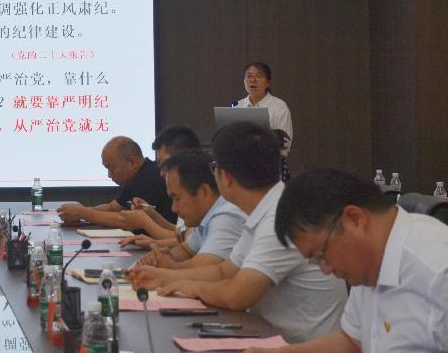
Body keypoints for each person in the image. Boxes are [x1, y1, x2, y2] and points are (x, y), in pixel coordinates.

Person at [129, 122, 346, 344]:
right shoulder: (264, 210)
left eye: (214, 167)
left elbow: (236, 295)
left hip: (298, 346)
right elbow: (224, 271)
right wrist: (163, 277)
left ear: (226, 176)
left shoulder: (278, 217)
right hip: (271, 337)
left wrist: (188, 286)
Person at [244, 167, 448, 353]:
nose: (325, 270)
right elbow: (352, 341)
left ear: (354, 219)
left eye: (321, 256)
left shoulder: (438, 273)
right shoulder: (367, 262)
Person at [131, 151, 245, 269]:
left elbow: (204, 268)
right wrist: (155, 259)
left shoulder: (227, 216)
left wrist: (163, 267)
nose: (174, 209)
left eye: (177, 199)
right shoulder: (207, 216)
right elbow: (185, 250)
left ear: (204, 192)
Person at [57, 136, 174, 228]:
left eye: (111, 168)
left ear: (132, 162)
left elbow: (126, 221)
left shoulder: (152, 177)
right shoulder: (135, 178)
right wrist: (78, 212)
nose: (109, 175)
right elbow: (112, 207)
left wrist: (83, 213)